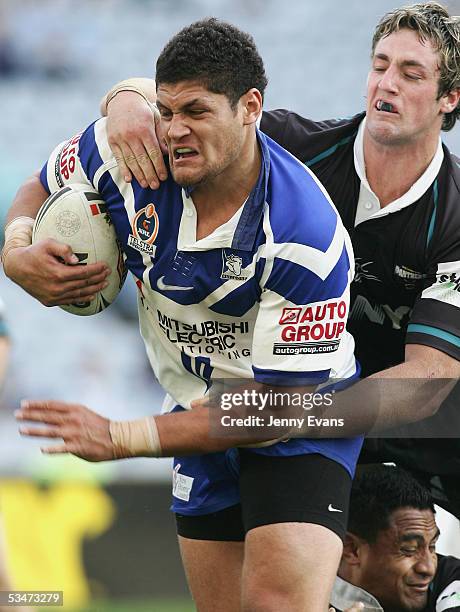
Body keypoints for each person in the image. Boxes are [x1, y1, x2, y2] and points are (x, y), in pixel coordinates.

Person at [3, 19, 362, 612]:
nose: (174, 132)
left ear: (251, 108)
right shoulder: (130, 155)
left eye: (196, 111)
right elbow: (38, 186)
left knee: (274, 605)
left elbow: (270, 411)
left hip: (298, 419)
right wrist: (18, 252)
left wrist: (122, 436)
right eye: (166, 111)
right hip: (194, 411)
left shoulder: (304, 237)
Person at [91, 1, 460, 516]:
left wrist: (292, 412)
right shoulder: (289, 151)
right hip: (295, 425)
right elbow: (196, 99)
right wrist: (125, 98)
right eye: (379, 66)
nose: (387, 83)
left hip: (423, 448)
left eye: (411, 73)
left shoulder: (455, 214)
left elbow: (427, 383)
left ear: (450, 98)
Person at [330, 464, 460, 612]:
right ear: (352, 549)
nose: (428, 568)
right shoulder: (305, 598)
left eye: (432, 546)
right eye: (409, 549)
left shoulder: (449, 576)